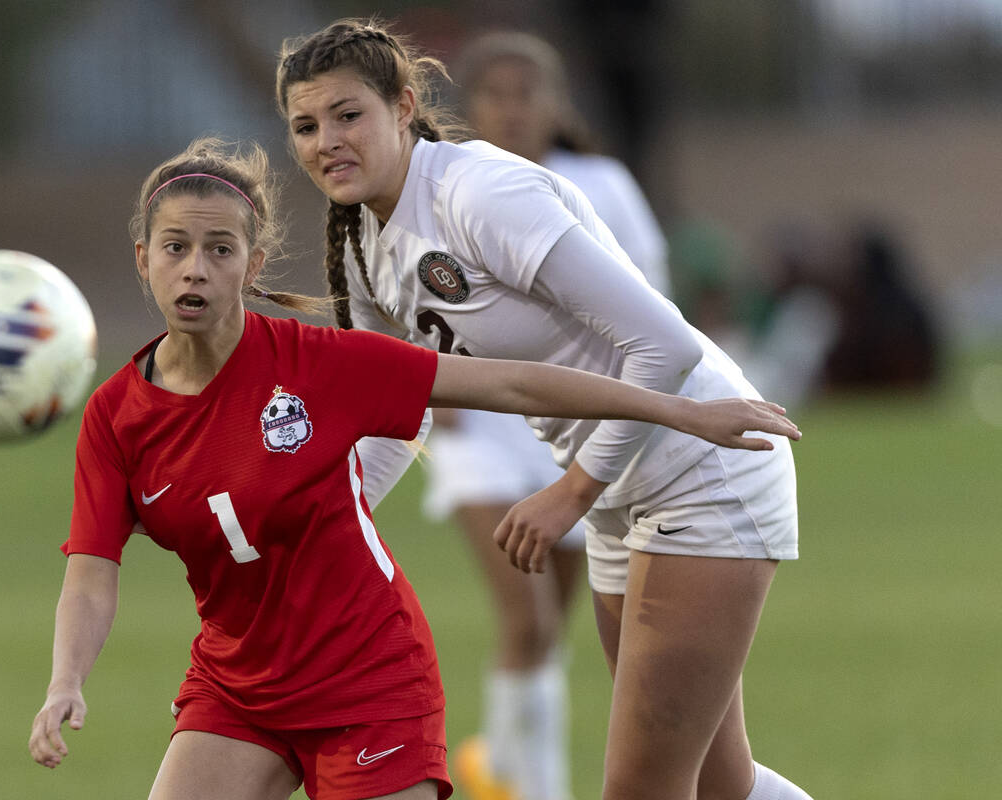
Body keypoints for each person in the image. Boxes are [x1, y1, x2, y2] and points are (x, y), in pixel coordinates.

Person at [26, 136, 800, 800]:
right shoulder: (114, 417)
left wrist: (684, 411)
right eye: (176, 248)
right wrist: (66, 680)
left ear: (252, 263)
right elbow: (90, 573)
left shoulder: (321, 363)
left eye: (218, 249)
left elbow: (510, 380)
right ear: (143, 261)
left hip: (367, 682)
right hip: (238, 688)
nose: (195, 269)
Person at [275, 18, 813, 800]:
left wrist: (570, 493)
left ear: (402, 105)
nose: (328, 140)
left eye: (347, 114)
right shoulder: (359, 237)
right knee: (720, 784)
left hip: (702, 468)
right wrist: (320, 524)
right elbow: (401, 409)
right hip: (623, 489)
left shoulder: (477, 192)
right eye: (306, 125)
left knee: (644, 787)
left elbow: (667, 347)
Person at [417, 31, 674, 800]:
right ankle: (537, 789)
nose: (513, 109)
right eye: (495, 94)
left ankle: (499, 762)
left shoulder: (601, 183)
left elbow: (653, 308)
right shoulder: (442, 188)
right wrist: (429, 392)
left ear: (555, 104)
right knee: (524, 615)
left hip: (574, 430)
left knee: (549, 631)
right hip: (481, 430)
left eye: (528, 93)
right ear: (470, 108)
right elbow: (409, 298)